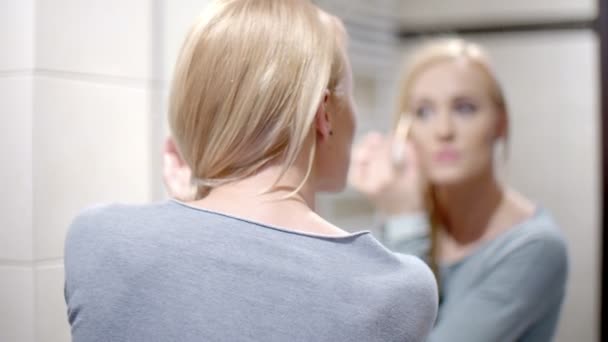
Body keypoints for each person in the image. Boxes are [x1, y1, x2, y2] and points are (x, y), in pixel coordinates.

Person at [63, 1, 438, 341]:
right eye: (350, 95)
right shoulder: (393, 288)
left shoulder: (98, 237)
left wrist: (195, 205)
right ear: (323, 114)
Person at [349, 38, 569, 341]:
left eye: (464, 108)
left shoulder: (536, 247)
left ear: (500, 123)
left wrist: (405, 221)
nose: (443, 131)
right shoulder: (406, 213)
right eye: (424, 112)